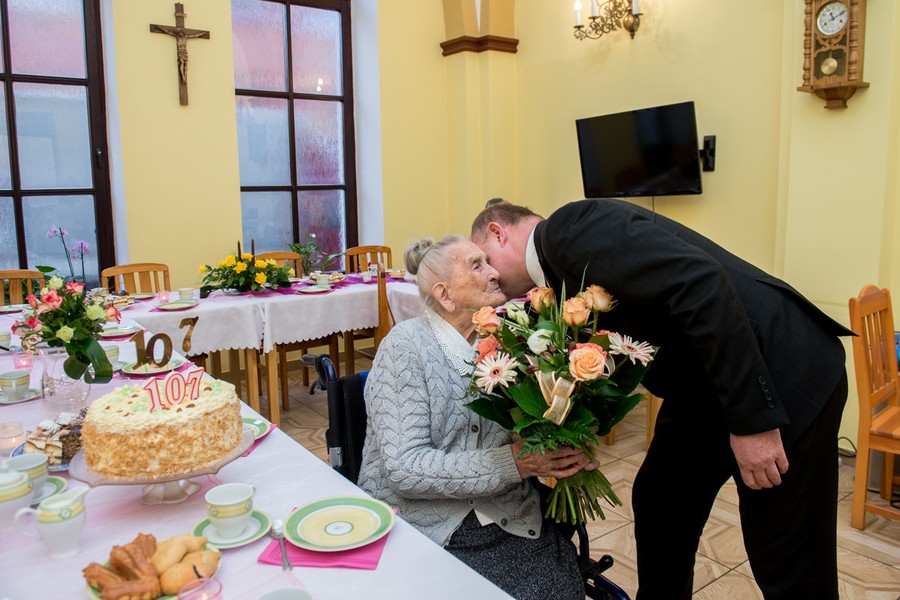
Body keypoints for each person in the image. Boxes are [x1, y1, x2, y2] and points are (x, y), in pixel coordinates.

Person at [470, 198, 852, 600]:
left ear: (498, 231)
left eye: (484, 259)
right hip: (703, 388)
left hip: (778, 373)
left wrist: (753, 422)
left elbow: (701, 283)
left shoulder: (568, 228)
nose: (488, 277)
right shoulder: (556, 273)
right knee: (661, 503)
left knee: (788, 557)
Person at [357, 235, 588, 600]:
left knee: (560, 589)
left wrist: (570, 446)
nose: (496, 273)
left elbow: (537, 425)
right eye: (477, 265)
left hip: (507, 515)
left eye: (489, 262)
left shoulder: (509, 342)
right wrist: (516, 463)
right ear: (445, 294)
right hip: (426, 525)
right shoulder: (406, 348)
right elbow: (404, 468)